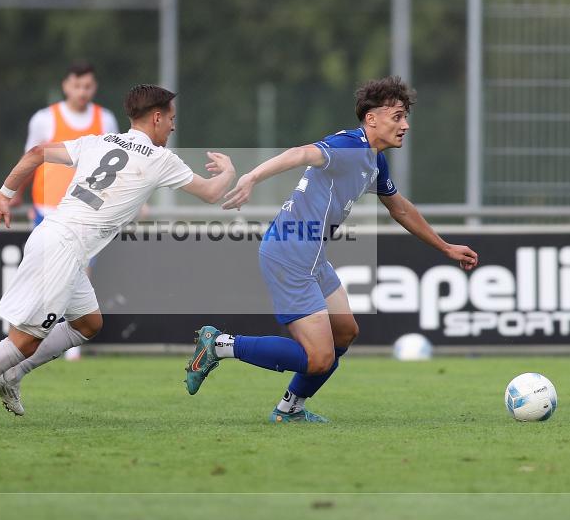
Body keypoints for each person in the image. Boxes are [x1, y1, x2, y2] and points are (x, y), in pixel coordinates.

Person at [0, 85, 235, 428]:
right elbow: (211, 193)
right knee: (24, 341)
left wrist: (4, 194)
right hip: (62, 248)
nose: (173, 127)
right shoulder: (160, 159)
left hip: (55, 235)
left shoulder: (98, 142)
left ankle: (11, 375)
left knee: (88, 324)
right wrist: (229, 172)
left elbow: (36, 152)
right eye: (172, 119)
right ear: (157, 117)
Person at [184, 76, 479, 423]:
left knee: (345, 332)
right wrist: (251, 177)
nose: (405, 125)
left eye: (405, 117)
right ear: (371, 119)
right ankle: (220, 345)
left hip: (312, 257)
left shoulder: (374, 160)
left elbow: (400, 208)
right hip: (290, 253)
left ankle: (289, 410)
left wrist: (445, 247)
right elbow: (300, 153)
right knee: (319, 358)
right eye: (397, 117)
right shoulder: (348, 146)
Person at [14, 61, 120, 364]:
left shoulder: (105, 119)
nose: (82, 92)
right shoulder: (44, 119)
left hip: (87, 210)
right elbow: (30, 157)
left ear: (94, 87)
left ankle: (70, 341)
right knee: (46, 273)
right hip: (48, 207)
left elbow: (116, 163)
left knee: (79, 273)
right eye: (77, 85)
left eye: (88, 86)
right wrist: (14, 193)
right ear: (66, 85)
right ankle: (28, 333)